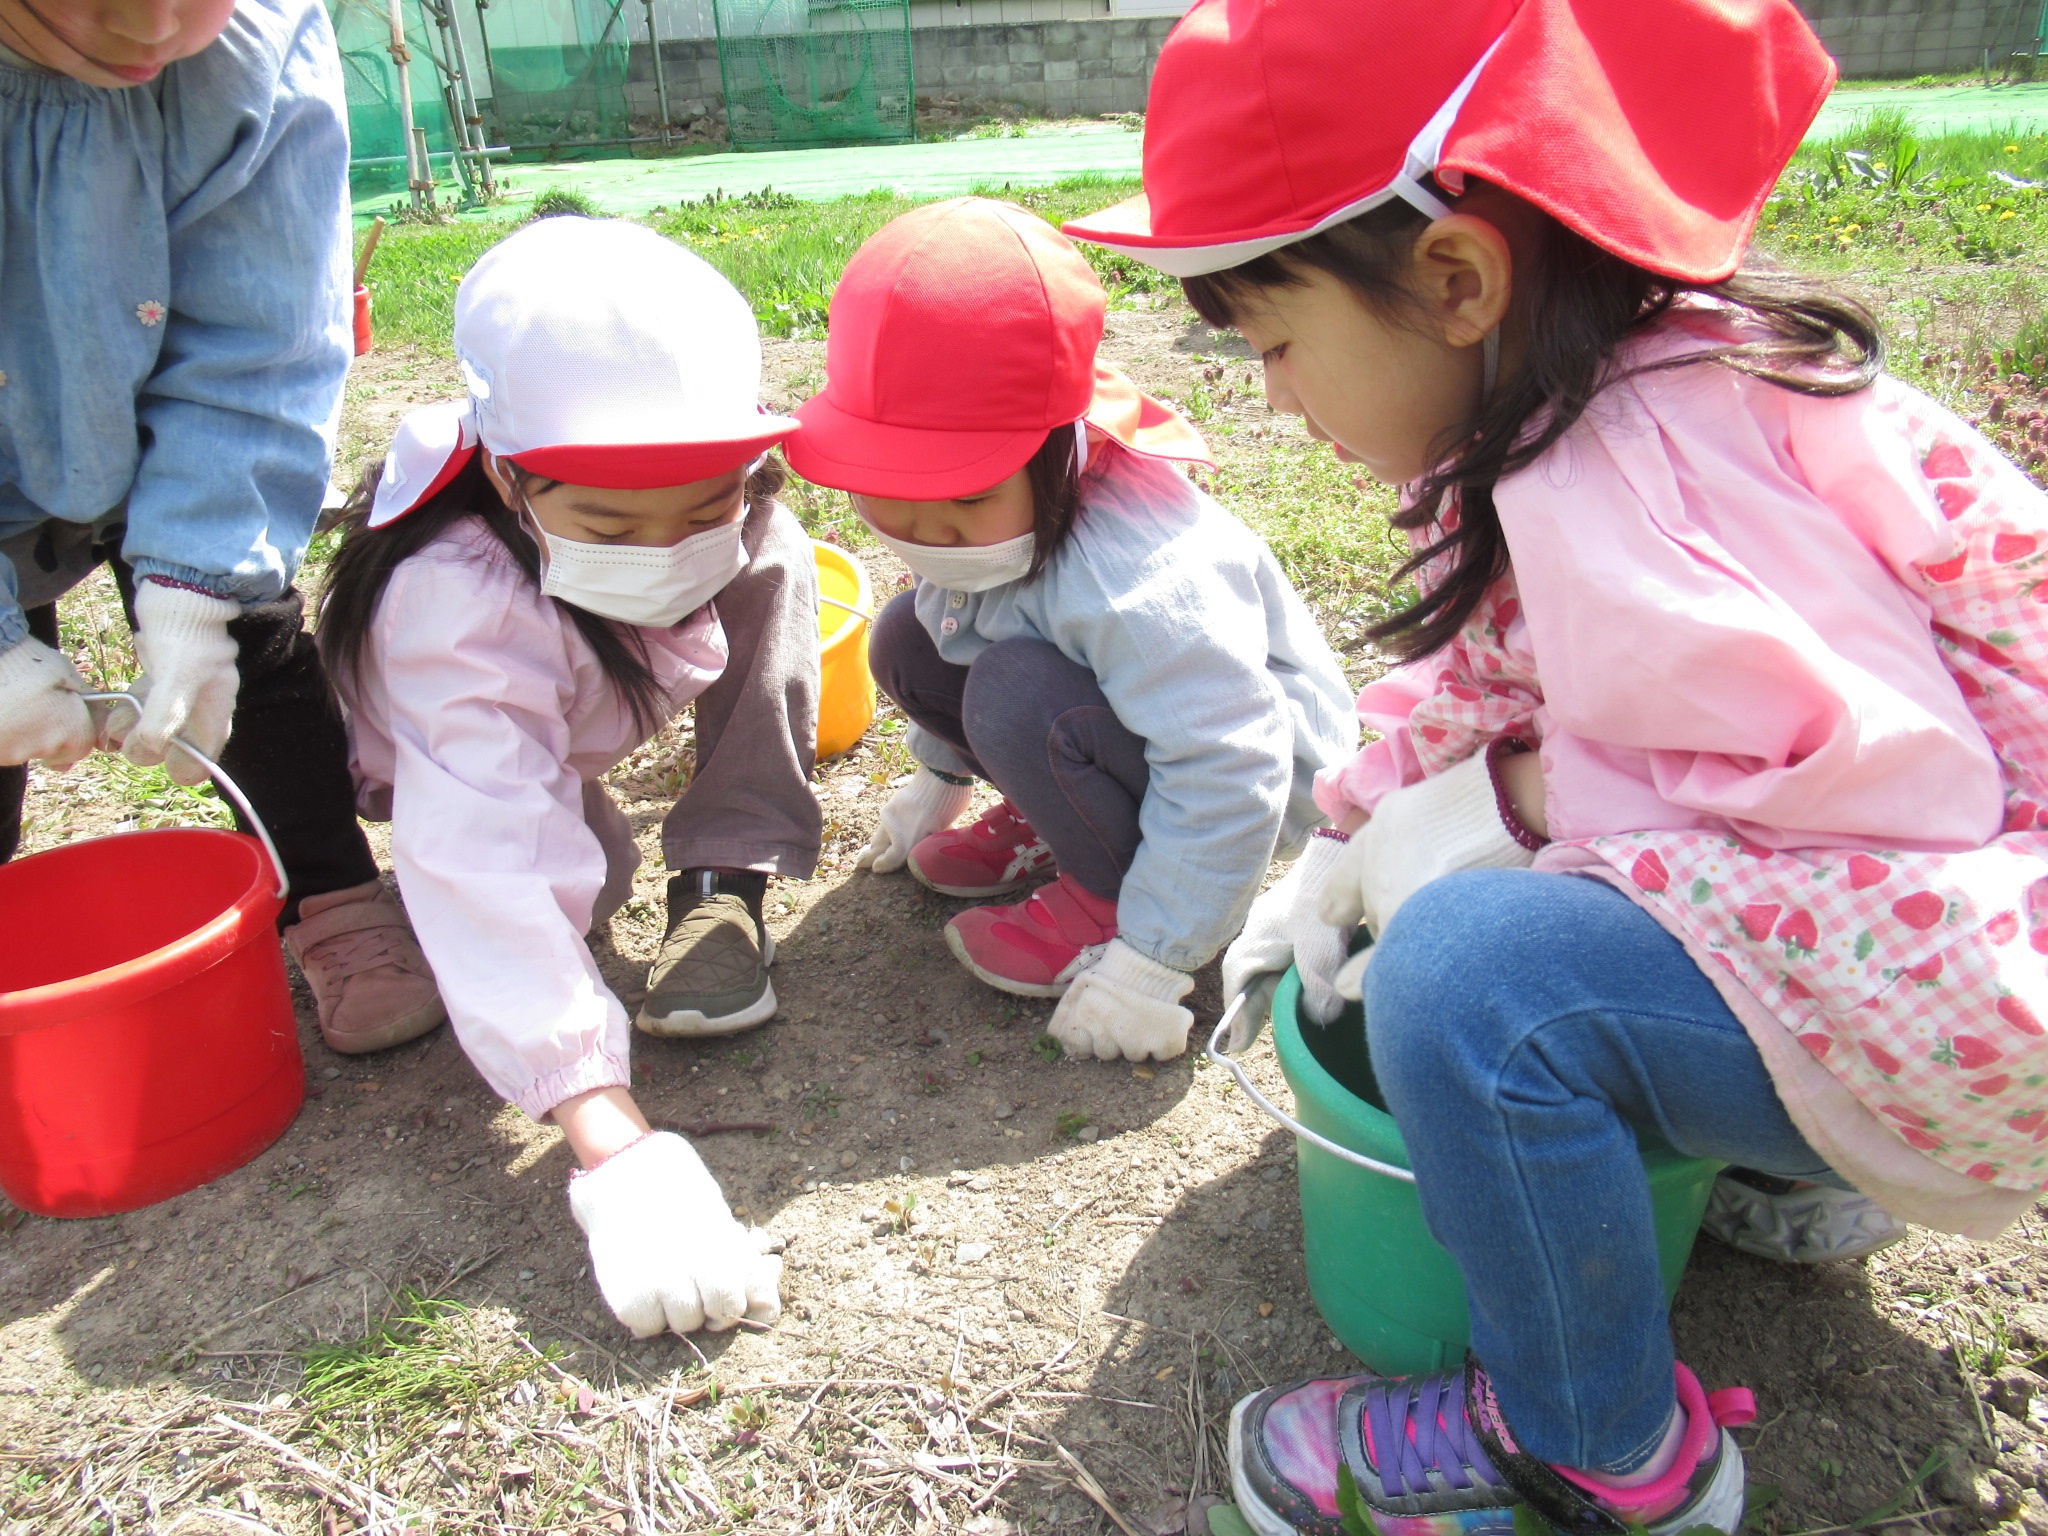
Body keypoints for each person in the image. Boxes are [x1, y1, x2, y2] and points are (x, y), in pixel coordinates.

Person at [1063, 1, 2048, 1532]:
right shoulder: (1638, 392)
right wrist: (1358, 822)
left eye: (1278, 342)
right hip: (1929, 960)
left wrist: (1521, 808)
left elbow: (1884, 792)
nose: (1277, 397)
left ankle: (1592, 1444)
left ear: (1455, 278)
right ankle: (1791, 1168)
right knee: (1529, 926)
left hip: (1963, 990)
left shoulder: (1634, 490)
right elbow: (1500, 675)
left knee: (1477, 980)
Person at [316, 215, 819, 1337]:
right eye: (609, 523)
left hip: (586, 697)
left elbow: (705, 530)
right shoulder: (456, 601)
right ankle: (391, 909)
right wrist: (614, 1144)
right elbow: (487, 844)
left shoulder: (738, 518)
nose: (665, 551)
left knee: (772, 552)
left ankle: (726, 875)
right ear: (507, 475)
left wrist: (712, 525)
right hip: (452, 755)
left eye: (704, 507)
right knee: (572, 890)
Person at [786, 197, 1356, 1064]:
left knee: (1013, 692)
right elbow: (956, 610)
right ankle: (1059, 818)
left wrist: (1154, 961)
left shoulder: (1132, 579)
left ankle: (1111, 895)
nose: (926, 529)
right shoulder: (996, 523)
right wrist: (938, 778)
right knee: (906, 636)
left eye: (965, 493)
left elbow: (1232, 766)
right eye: (889, 489)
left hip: (1253, 780)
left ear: (1055, 452)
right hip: (1126, 718)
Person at [0, 0, 442, 1055]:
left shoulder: (259, 46)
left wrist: (198, 590)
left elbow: (260, 340)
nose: (153, 24)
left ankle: (330, 893)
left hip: (165, 411)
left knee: (251, 649)